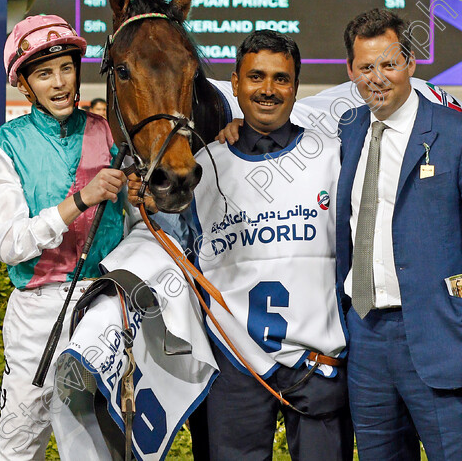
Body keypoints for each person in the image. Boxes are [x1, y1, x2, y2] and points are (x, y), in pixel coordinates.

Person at [133, 30, 351, 460]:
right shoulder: (202, 167)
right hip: (235, 365)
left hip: (319, 363)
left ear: (296, 86)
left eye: (280, 79)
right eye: (255, 77)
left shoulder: (334, 156)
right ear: (234, 84)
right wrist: (146, 202)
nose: (267, 90)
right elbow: (173, 250)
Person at [336, 8, 462, 460]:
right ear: (351, 72)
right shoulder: (348, 131)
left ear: (410, 63)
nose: (377, 78)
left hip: (445, 342)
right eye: (366, 67)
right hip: (366, 339)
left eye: (389, 64)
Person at [0, 14, 127, 461]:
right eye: (43, 73)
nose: (58, 83)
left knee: (100, 449)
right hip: (38, 316)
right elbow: (10, 245)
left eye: (66, 68)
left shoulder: (110, 132)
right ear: (24, 84)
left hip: (105, 306)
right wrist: (81, 199)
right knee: (19, 448)